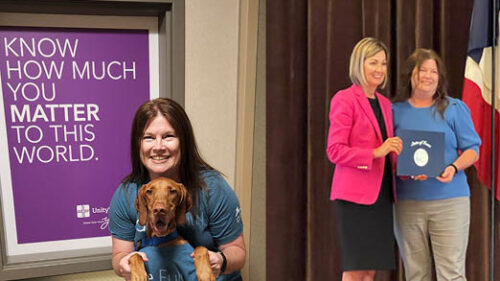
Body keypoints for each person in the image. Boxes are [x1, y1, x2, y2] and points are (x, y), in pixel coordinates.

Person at [109, 98, 245, 281]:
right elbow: (119, 257)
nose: (158, 147)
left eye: (168, 137)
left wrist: (220, 260)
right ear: (138, 144)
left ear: (183, 141)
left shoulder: (212, 188)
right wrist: (125, 264)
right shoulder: (126, 194)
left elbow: (238, 252)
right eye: (149, 137)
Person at [392, 48, 481, 281]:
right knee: (415, 275)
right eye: (423, 70)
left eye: (434, 71)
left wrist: (452, 168)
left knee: (451, 274)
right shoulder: (393, 111)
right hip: (407, 203)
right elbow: (388, 154)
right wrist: (403, 172)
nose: (429, 76)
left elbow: (473, 150)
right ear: (410, 74)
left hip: (450, 202)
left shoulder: (454, 108)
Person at [326, 37, 402, 281]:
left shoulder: (385, 104)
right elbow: (334, 150)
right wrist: (375, 152)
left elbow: (388, 153)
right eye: (373, 63)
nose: (380, 69)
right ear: (359, 64)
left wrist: (408, 167)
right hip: (355, 198)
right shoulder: (344, 99)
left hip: (381, 196)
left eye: (383, 63)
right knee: (356, 269)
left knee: (370, 270)